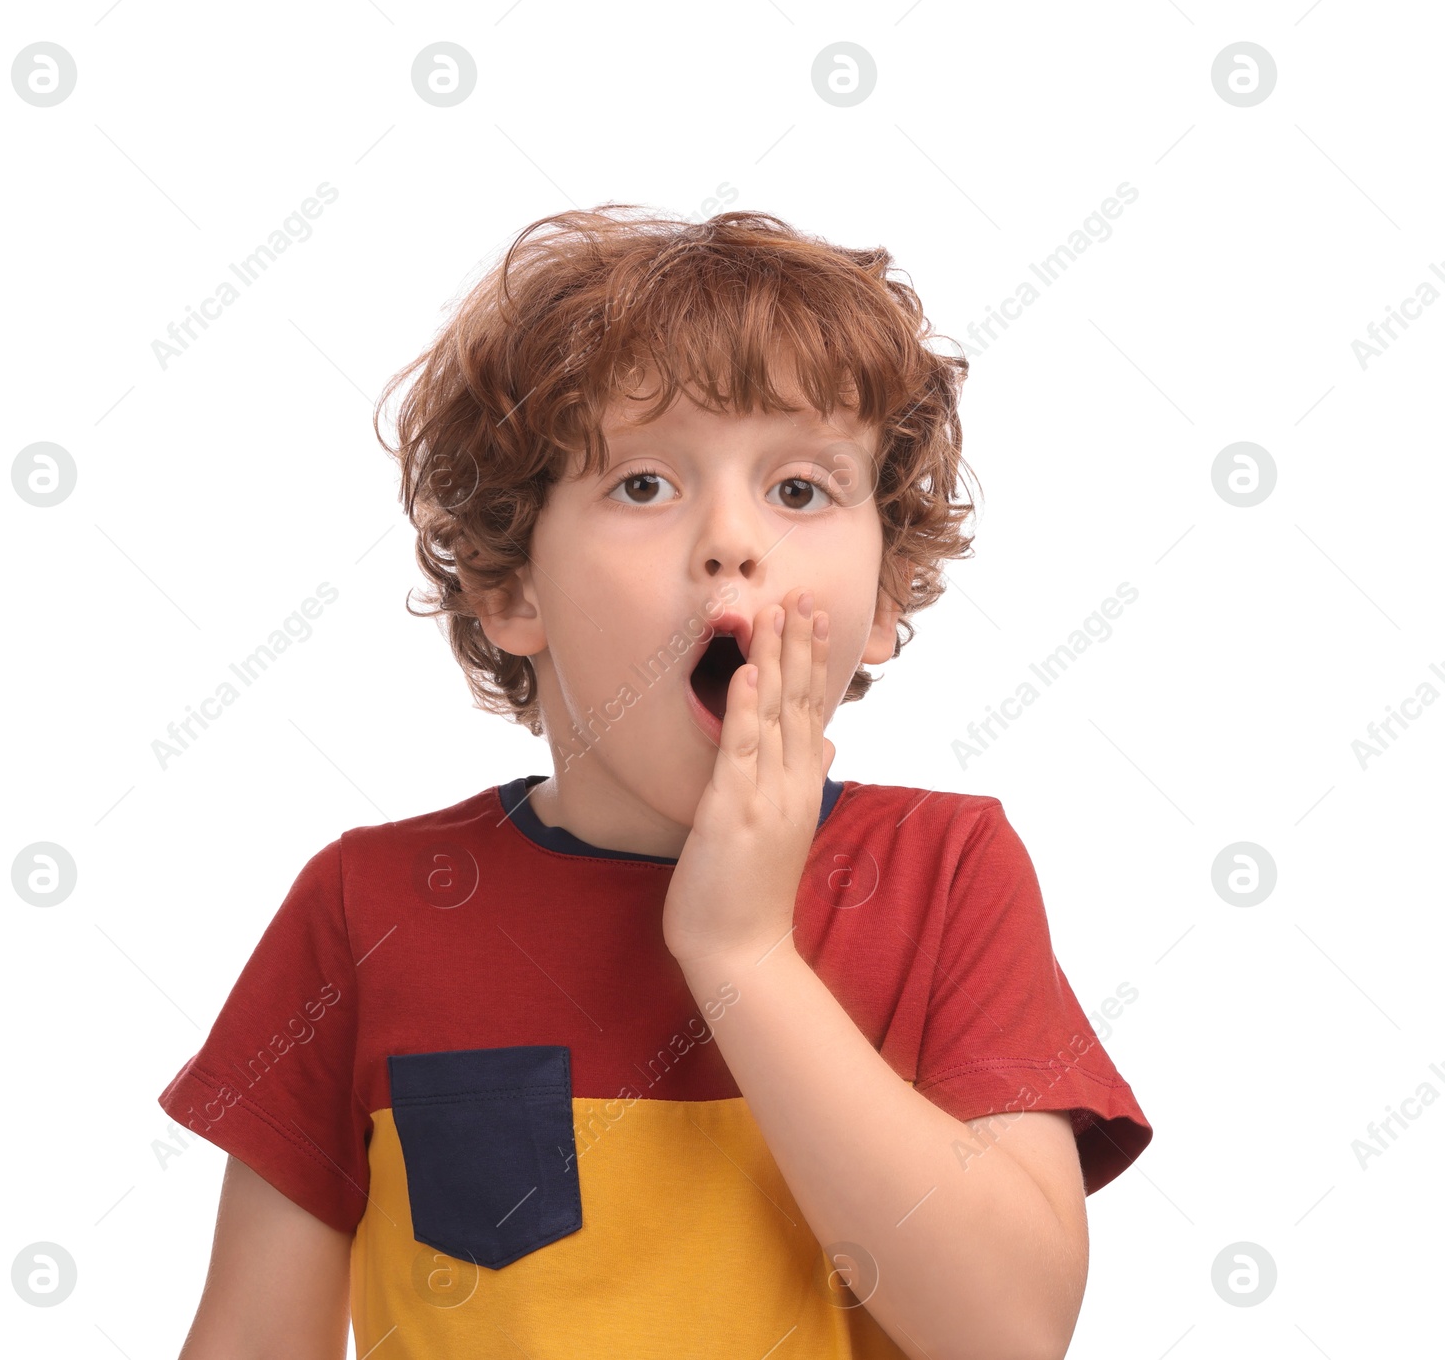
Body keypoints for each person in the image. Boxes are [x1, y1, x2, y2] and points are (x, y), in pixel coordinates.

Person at [157, 205, 1153, 1359]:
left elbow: (1009, 1333)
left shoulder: (951, 875)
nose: (731, 541)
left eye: (798, 489)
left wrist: (742, 953)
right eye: (642, 484)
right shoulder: (365, 908)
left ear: (882, 601)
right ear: (512, 587)